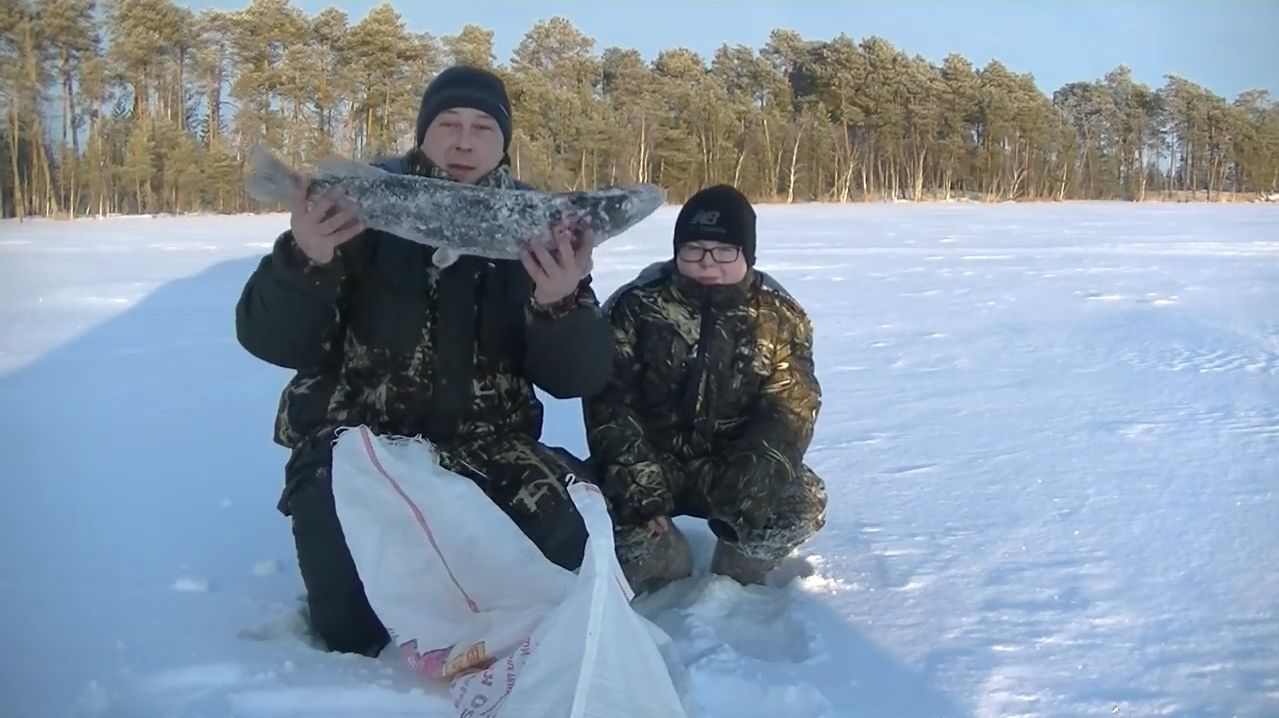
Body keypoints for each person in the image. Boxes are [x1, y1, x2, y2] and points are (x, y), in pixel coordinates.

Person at [235, 66, 612, 657]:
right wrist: (306, 259)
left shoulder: (536, 225)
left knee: (573, 578)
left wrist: (561, 304)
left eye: (483, 127)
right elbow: (271, 340)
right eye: (449, 124)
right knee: (356, 631)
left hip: (486, 448)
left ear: (504, 141)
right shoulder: (358, 210)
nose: (465, 140)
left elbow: (578, 379)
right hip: (360, 445)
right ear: (423, 132)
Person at [583, 184, 827, 593]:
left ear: (747, 255)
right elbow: (608, 401)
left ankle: (736, 576)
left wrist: (752, 481)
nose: (707, 263)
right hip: (653, 462)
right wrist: (638, 482)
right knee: (594, 508)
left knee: (801, 501)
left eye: (723, 251)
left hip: (730, 465)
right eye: (694, 249)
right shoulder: (636, 306)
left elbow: (792, 407)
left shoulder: (780, 316)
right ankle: (667, 566)